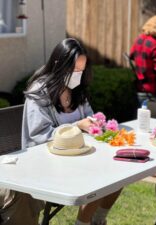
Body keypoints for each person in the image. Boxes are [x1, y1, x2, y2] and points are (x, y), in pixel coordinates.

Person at [19, 38, 120, 225]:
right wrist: (77, 126)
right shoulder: (40, 92)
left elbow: (87, 117)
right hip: (46, 163)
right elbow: (38, 136)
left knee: (120, 169)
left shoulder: (76, 89)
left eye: (81, 70)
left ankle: (97, 220)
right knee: (104, 175)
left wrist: (95, 122)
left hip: (77, 158)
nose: (78, 75)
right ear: (59, 65)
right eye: (74, 70)